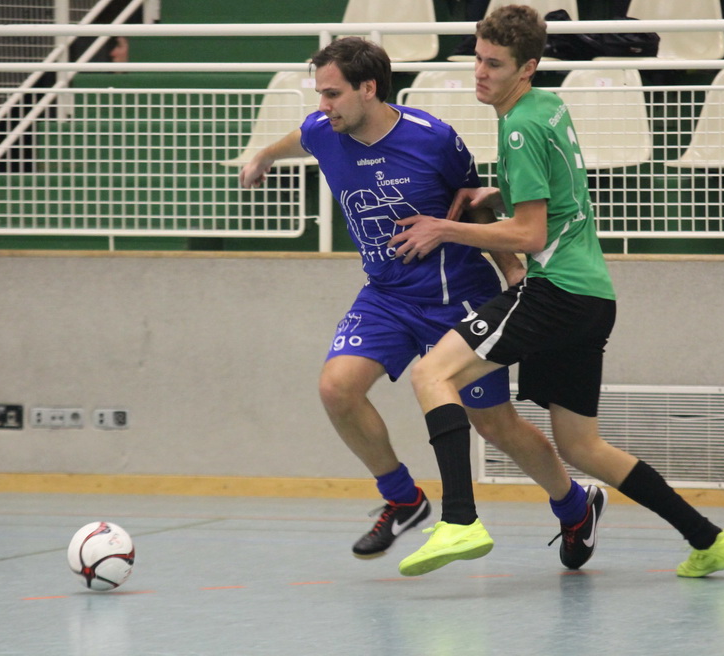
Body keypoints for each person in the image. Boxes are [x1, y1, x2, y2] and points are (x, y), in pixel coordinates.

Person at [389, 4, 724, 578]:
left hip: (554, 291)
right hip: (592, 296)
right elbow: (555, 194)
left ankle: (459, 519)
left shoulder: (519, 127)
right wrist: (495, 196)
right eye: (478, 59)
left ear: (527, 67)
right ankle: (710, 539)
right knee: (583, 447)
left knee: (432, 374)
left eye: (494, 64)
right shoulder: (547, 105)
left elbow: (530, 236)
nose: (479, 72)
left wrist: (444, 229)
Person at [239, 36, 605, 567]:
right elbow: (302, 136)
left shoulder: (433, 139)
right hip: (386, 296)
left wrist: (512, 273)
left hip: (457, 298)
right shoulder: (325, 128)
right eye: (319, 94)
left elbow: (473, 206)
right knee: (337, 389)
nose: (323, 105)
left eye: (332, 94)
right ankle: (403, 498)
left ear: (368, 89)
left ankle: (575, 506)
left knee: (494, 425)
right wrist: (264, 156)